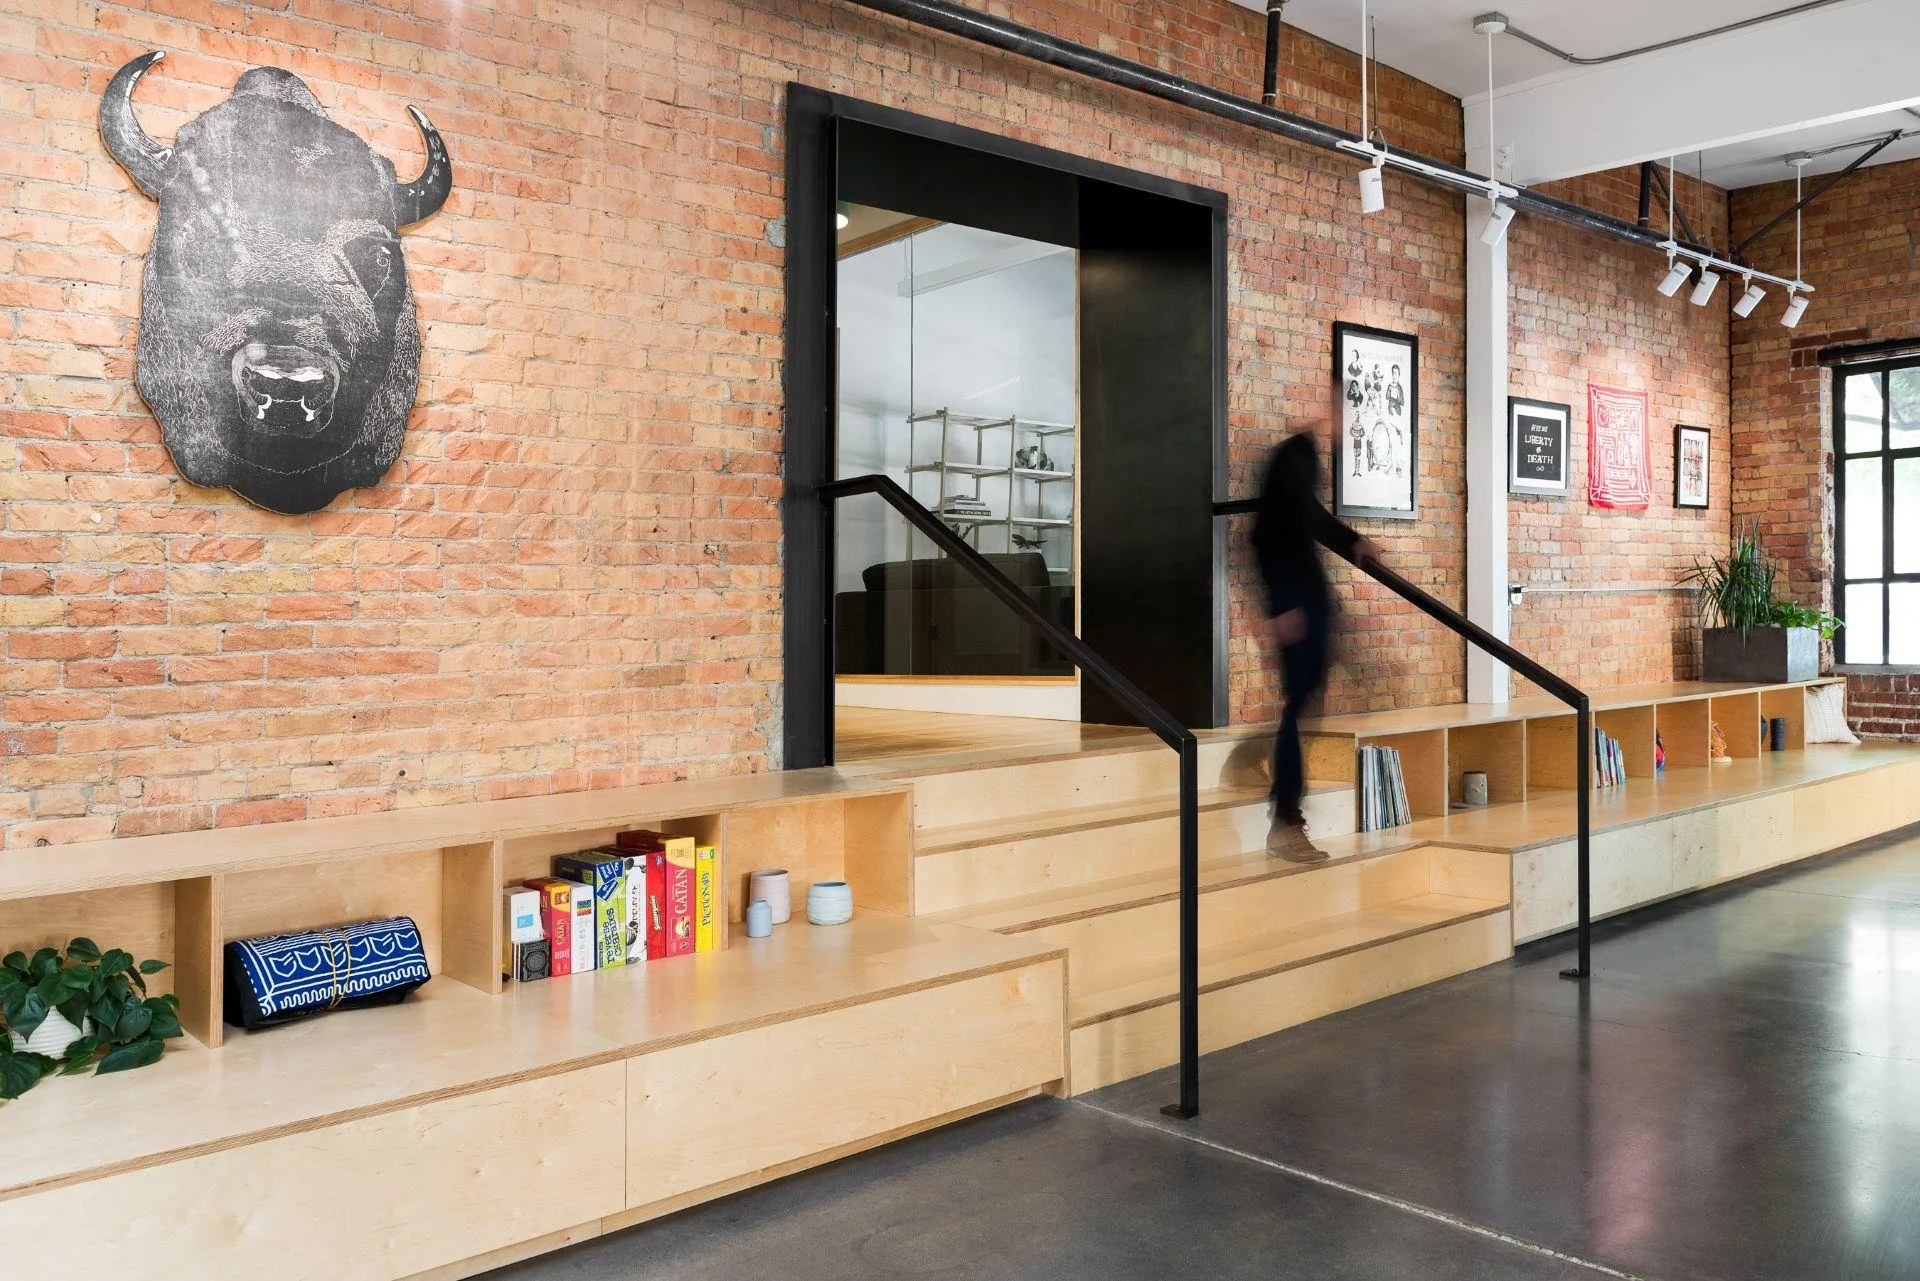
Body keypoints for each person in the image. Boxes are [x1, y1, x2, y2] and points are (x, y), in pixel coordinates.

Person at [1253, 430, 1380, 863]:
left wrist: (1351, 542)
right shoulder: (1296, 452)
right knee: (1297, 707)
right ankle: (1285, 820)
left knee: (1305, 706)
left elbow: (1309, 516)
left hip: (1312, 605)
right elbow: (1264, 533)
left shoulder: (1306, 459)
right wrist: (1281, 606)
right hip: (1299, 609)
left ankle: (1286, 811)